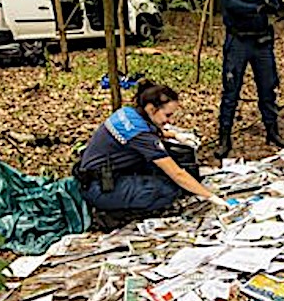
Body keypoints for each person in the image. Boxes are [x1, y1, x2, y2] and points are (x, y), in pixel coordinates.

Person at [75, 81, 228, 213]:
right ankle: (118, 214)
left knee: (161, 171)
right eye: (167, 115)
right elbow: (177, 174)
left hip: (94, 176)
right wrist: (211, 196)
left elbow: (149, 131)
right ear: (151, 108)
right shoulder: (141, 135)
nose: (169, 121)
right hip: (99, 189)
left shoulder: (128, 113)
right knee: (170, 189)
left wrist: (175, 135)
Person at [214, 0, 284, 159]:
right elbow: (229, 4)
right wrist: (256, 8)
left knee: (268, 89)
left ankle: (272, 132)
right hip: (238, 41)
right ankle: (224, 138)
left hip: (262, 42)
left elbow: (277, 4)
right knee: (231, 91)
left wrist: (276, 8)